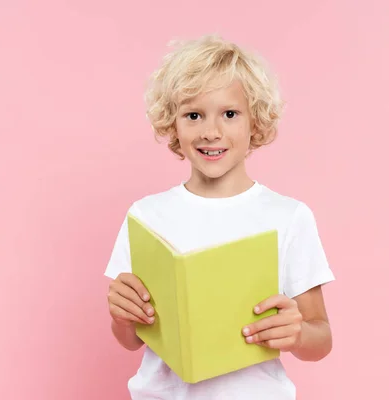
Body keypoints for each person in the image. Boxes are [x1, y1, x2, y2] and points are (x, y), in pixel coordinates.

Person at [104, 34, 335, 399]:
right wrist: (122, 316)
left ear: (254, 122)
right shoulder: (146, 216)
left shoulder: (289, 217)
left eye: (230, 114)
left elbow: (320, 339)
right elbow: (130, 340)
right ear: (173, 125)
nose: (211, 132)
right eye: (193, 115)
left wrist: (298, 333)